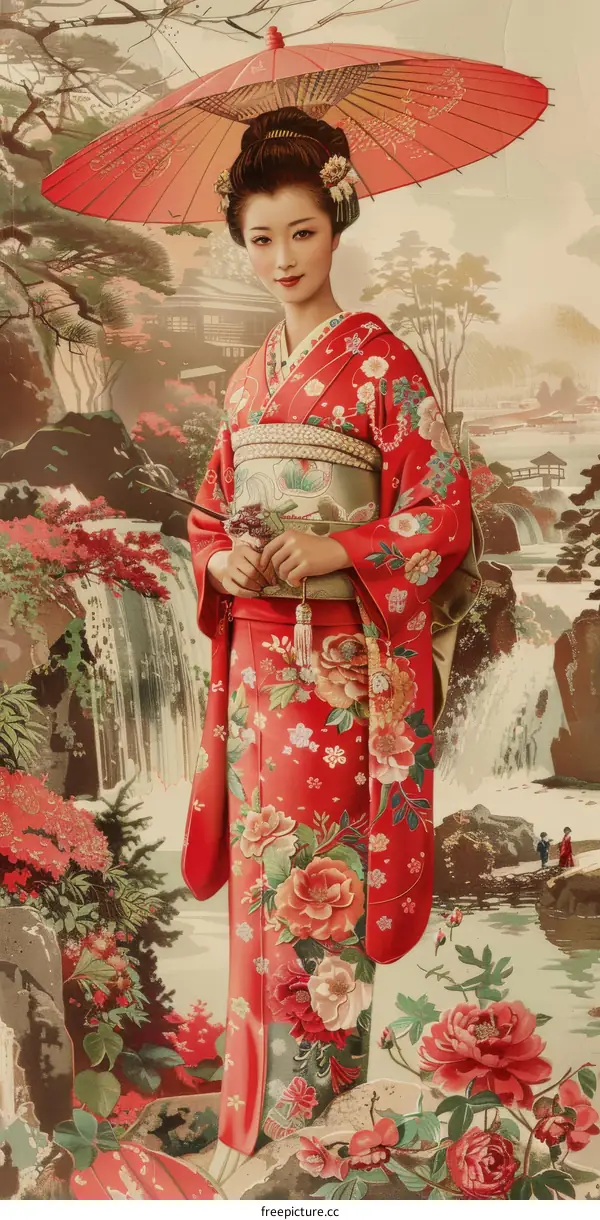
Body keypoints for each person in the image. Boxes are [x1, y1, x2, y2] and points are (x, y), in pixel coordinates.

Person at [181, 106, 480, 1172]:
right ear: (241, 240)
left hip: (341, 671)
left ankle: (313, 1124)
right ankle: (253, 1117)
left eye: (302, 231)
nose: (282, 258)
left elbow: (441, 514)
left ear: (337, 225)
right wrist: (222, 563)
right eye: (260, 237)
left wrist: (338, 547)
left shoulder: (384, 364)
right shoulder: (247, 379)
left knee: (321, 879)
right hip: (259, 669)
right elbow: (209, 512)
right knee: (263, 883)